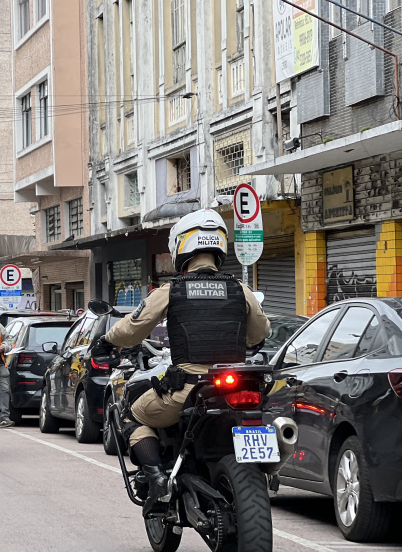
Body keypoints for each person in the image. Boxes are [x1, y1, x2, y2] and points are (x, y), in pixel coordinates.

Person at [93, 209, 270, 515]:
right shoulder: (241, 290)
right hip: (236, 388)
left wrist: (106, 341)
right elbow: (259, 335)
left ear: (181, 247)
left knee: (132, 416)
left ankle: (158, 478)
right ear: (219, 247)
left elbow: (132, 328)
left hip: (189, 388)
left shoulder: (171, 290)